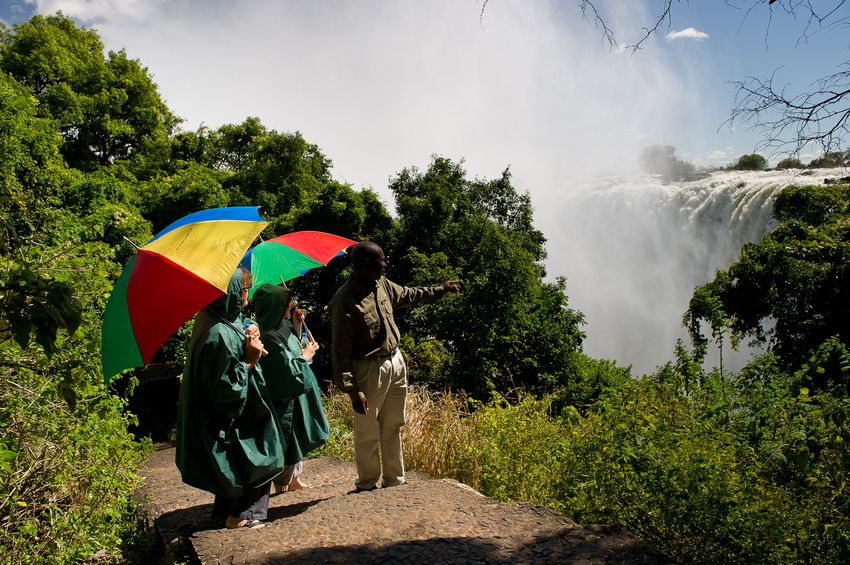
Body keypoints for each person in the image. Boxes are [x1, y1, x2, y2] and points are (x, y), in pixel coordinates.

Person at [328, 241, 459, 491]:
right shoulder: (344, 301)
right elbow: (340, 352)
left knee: (393, 424)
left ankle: (394, 480)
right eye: (381, 261)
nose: (385, 265)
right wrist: (353, 391)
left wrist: (439, 290)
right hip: (368, 369)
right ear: (366, 264)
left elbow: (407, 295)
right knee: (367, 429)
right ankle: (366, 482)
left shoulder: (381, 284)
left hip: (395, 362)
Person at [175, 269, 285, 530]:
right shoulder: (219, 335)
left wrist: (248, 334)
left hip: (233, 413)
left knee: (241, 461)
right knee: (261, 456)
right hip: (234, 417)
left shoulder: (213, 318)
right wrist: (250, 359)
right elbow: (226, 390)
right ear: (232, 292)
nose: (247, 294)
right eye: (244, 289)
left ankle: (224, 512)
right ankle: (244, 515)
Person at [252, 283, 330, 494]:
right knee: (288, 437)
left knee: (296, 436)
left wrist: (296, 326)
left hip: (295, 394)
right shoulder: (269, 335)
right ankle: (283, 482)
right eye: (286, 302)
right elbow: (287, 369)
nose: (291, 305)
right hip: (286, 396)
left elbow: (292, 344)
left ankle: (293, 479)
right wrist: (305, 356)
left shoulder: (279, 325)